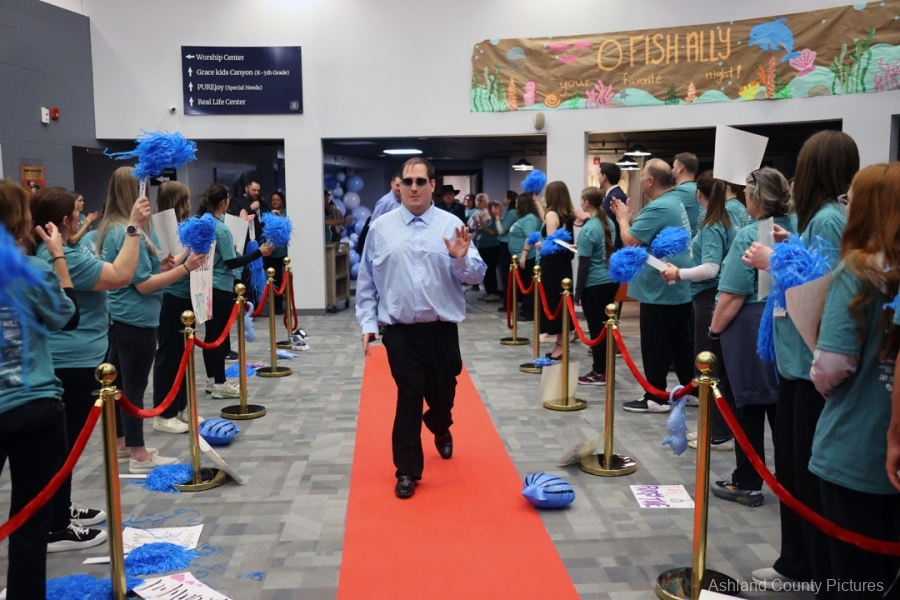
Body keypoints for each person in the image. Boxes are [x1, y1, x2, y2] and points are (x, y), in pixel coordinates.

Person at [743, 130, 858, 592]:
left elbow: (823, 285)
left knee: (800, 473)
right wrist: (790, 245)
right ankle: (798, 560)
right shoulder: (826, 217)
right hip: (798, 363)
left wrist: (772, 259)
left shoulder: (828, 218)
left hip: (808, 365)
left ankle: (802, 565)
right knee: (793, 469)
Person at [356, 157, 486, 499]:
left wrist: (460, 258)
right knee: (409, 397)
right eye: (408, 181)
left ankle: (440, 425)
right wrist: (368, 323)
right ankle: (407, 470)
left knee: (443, 395)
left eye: (420, 181)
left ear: (432, 185)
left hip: (441, 330)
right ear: (399, 185)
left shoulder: (451, 224)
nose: (413, 187)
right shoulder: (381, 228)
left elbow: (476, 275)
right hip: (399, 332)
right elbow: (367, 280)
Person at [30, 187, 147, 550]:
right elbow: (121, 274)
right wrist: (134, 228)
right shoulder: (60, 257)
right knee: (63, 447)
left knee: (66, 445)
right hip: (72, 362)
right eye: (76, 213)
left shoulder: (65, 251)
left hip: (80, 357)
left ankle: (60, 508)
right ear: (66, 220)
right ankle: (56, 526)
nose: (81, 217)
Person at [809, 163, 900, 598]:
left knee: (849, 577)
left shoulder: (857, 270)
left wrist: (818, 378)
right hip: (888, 442)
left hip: (855, 442)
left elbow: (833, 365)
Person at [96, 167, 204, 474]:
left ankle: (123, 443)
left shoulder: (117, 228)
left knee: (120, 385)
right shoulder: (126, 230)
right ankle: (138, 454)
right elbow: (143, 284)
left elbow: (134, 271)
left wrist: (163, 263)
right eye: (140, 187)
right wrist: (185, 269)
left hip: (124, 315)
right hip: (136, 318)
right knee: (133, 388)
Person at [0, 179, 77, 599]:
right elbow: (65, 315)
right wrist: (57, 257)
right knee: (30, 523)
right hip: (34, 403)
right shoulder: (31, 270)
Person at [708, 169, 796, 507]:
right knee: (782, 409)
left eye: (747, 193)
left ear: (757, 198)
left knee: (747, 409)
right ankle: (791, 484)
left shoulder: (752, 234)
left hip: (751, 330)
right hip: (792, 327)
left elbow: (733, 294)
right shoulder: (799, 227)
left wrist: (714, 332)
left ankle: (747, 481)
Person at [610, 159, 694, 413]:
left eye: (643, 175)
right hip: (677, 286)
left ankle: (655, 397)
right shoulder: (674, 201)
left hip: (660, 289)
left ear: (650, 181)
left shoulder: (658, 206)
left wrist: (622, 218)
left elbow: (630, 240)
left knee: (656, 343)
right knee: (680, 342)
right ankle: (691, 391)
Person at [662, 171, 737, 449]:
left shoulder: (713, 225)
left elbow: (710, 268)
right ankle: (712, 427)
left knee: (709, 367)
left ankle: (718, 432)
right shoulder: (721, 221)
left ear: (698, 194)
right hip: (710, 296)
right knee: (712, 366)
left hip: (709, 297)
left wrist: (678, 273)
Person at [197, 184, 274, 399]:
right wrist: (259, 252)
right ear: (224, 202)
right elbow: (231, 262)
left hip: (204, 284)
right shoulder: (221, 230)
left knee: (210, 335)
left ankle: (213, 380)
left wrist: (240, 223)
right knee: (218, 337)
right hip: (220, 286)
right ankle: (220, 384)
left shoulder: (205, 222)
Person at [151, 181, 200, 435]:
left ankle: (179, 408)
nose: (190, 205)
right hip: (170, 297)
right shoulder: (161, 228)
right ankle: (163, 413)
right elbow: (167, 263)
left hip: (186, 296)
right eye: (186, 200)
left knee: (183, 356)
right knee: (169, 355)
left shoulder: (182, 226)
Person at [574, 188, 617, 385]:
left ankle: (599, 371)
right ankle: (605, 369)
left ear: (586, 203)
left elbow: (584, 264)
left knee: (596, 330)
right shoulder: (608, 222)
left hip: (594, 284)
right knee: (605, 328)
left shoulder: (589, 228)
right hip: (610, 280)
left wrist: (578, 292)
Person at [535, 181, 576, 361]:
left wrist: (539, 244)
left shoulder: (552, 214)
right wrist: (537, 205)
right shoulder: (567, 215)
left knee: (554, 303)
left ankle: (561, 345)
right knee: (562, 302)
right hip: (563, 265)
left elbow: (551, 244)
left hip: (552, 267)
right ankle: (561, 343)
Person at [511, 194, 542, 322]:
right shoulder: (524, 218)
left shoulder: (530, 218)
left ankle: (529, 312)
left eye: (517, 203)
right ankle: (525, 309)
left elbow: (529, 237)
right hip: (520, 256)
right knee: (524, 284)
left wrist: (523, 254)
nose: (516, 205)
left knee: (528, 285)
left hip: (528, 257)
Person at [473, 195, 501, 302]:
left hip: (492, 248)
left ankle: (493, 292)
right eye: (488, 209)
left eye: (490, 209)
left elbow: (492, 232)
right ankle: (488, 291)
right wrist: (477, 224)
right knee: (485, 270)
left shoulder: (496, 221)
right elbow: (479, 232)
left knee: (490, 270)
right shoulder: (488, 221)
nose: (489, 211)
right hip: (483, 247)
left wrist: (482, 223)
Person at [265, 191, 289, 314]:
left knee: (284, 279)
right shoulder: (268, 215)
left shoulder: (286, 214)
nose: (275, 202)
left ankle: (284, 305)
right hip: (271, 253)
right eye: (273, 200)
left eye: (277, 200)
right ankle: (276, 306)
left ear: (282, 202)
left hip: (283, 252)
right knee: (274, 280)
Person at [495, 190, 519, 312]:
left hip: (506, 245)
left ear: (509, 200)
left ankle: (508, 304)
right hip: (506, 245)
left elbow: (501, 230)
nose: (502, 198)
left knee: (506, 275)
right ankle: (508, 302)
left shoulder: (512, 213)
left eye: (504, 197)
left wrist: (497, 217)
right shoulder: (511, 212)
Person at [599, 163, 628, 249]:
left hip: (615, 245)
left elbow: (604, 222)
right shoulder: (616, 193)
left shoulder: (613, 197)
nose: (598, 178)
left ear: (604, 177)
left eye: (599, 175)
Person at [672, 152, 701, 235]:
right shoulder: (700, 189)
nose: (672, 170)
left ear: (680, 168)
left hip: (687, 240)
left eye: (673, 167)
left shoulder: (680, 192)